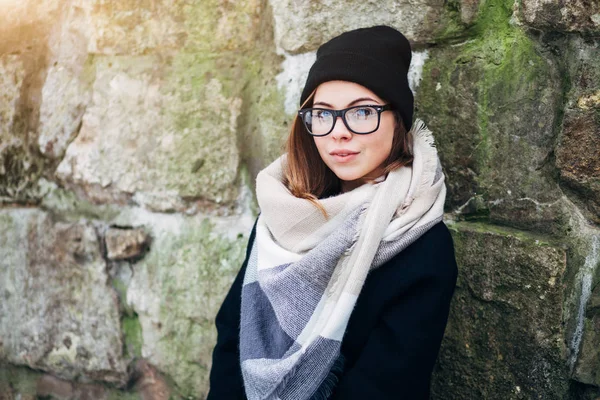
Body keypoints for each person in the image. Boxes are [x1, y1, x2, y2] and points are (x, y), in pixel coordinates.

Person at [207, 25, 458, 400]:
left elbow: (386, 384)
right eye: (323, 114)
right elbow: (234, 332)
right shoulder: (284, 214)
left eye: (362, 112)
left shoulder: (421, 244)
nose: (339, 132)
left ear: (397, 121)